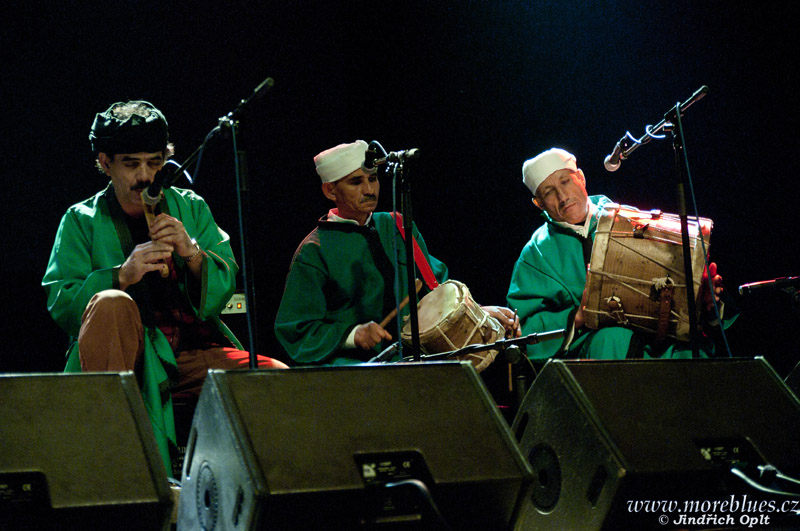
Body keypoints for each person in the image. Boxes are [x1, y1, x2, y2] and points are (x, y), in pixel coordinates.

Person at [42, 100, 287, 476]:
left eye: (154, 162)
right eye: (131, 163)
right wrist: (121, 275)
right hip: (124, 354)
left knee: (276, 380)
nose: (145, 175)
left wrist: (192, 253)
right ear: (105, 162)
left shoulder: (190, 208)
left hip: (189, 353)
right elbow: (62, 301)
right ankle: (115, 473)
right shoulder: (81, 220)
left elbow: (223, 286)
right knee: (110, 301)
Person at [275, 140, 519, 366]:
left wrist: (480, 311)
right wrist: (352, 335)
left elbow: (436, 291)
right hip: (356, 375)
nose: (369, 189)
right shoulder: (313, 251)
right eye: (356, 182)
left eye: (373, 179)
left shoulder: (398, 226)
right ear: (330, 191)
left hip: (416, 364)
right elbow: (297, 330)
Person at [507, 147, 733, 363]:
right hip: (593, 347)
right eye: (548, 192)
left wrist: (702, 301)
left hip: (656, 337)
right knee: (613, 339)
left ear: (581, 178)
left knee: (696, 351)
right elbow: (522, 328)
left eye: (565, 181)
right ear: (539, 204)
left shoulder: (631, 221)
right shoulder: (535, 254)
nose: (562, 196)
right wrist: (578, 316)